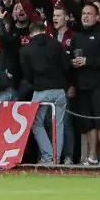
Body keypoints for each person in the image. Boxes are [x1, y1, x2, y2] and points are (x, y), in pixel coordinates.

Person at [19, 20, 71, 167]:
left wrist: (36, 81)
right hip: (59, 89)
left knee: (36, 123)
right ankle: (56, 158)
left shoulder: (25, 50)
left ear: (31, 33)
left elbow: (27, 74)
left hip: (40, 90)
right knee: (58, 125)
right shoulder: (56, 45)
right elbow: (66, 65)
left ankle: (48, 155)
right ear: (44, 30)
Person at [70, 3, 100, 166]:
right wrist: (75, 64)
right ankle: (92, 155)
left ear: (97, 17)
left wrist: (88, 61)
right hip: (83, 85)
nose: (85, 16)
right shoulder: (77, 38)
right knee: (88, 122)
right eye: (83, 13)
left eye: (89, 14)